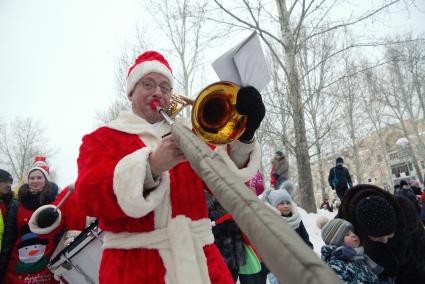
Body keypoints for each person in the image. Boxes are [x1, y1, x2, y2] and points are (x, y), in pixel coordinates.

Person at [75, 50, 265, 284]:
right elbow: (88, 196)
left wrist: (245, 136)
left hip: (202, 263)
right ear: (131, 92)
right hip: (134, 268)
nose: (158, 92)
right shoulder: (101, 138)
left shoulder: (191, 134)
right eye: (148, 84)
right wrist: (150, 167)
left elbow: (229, 182)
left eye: (165, 87)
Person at [336, 184, 425, 283]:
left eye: (390, 234)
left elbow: (420, 247)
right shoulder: (346, 226)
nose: (385, 240)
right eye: (378, 237)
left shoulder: (405, 210)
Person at [0, 157, 60, 283]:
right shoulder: (17, 204)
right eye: (32, 178)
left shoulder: (57, 203)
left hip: (46, 269)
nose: (35, 181)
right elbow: (9, 238)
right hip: (17, 269)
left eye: (39, 177)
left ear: (46, 180)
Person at [267, 189, 313, 284]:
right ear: (275, 207)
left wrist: (308, 250)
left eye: (288, 203)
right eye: (282, 203)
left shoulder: (297, 219)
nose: (286, 206)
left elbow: (305, 237)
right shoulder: (272, 222)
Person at [320, 218, 381, 283]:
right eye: (347, 235)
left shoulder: (359, 256)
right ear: (338, 242)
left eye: (353, 232)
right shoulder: (336, 266)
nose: (354, 235)